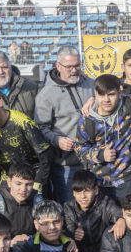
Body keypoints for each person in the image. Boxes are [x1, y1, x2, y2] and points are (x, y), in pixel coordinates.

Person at [35, 46, 94, 203]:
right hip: (66, 166)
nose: (74, 70)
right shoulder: (46, 95)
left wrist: (95, 99)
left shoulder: (91, 85)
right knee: (69, 210)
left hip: (94, 162)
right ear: (58, 66)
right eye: (69, 67)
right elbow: (41, 128)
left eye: (77, 65)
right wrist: (57, 140)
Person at [74, 74, 131, 202]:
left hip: (128, 180)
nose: (106, 100)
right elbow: (79, 148)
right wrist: (100, 155)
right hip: (99, 183)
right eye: (102, 95)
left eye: (111, 94)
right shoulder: (87, 120)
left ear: (120, 92)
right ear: (95, 94)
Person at [0, 84, 52, 192]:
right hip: (7, 177)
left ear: (0, 102)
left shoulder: (22, 122)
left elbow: (46, 157)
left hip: (32, 176)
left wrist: (38, 184)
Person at [0, 163, 42, 241]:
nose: (23, 189)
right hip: (3, 248)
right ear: (9, 182)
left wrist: (30, 238)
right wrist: (9, 242)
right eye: (18, 184)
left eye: (28, 184)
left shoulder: (39, 203)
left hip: (33, 247)